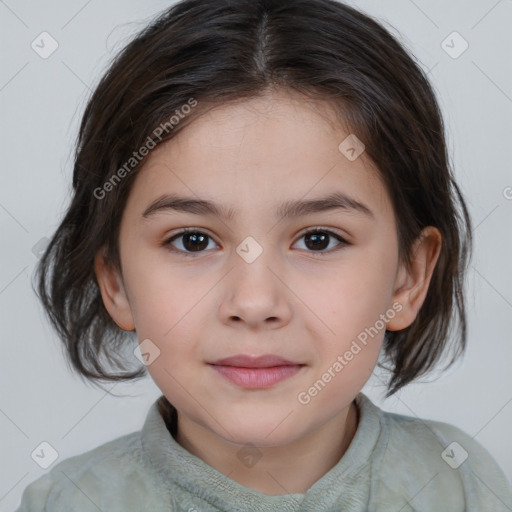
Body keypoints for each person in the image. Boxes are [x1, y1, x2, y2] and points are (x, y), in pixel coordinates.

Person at [16, 0, 512, 510]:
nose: (254, 303)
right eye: (193, 240)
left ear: (407, 277)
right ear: (115, 281)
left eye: (319, 239)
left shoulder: (462, 484)